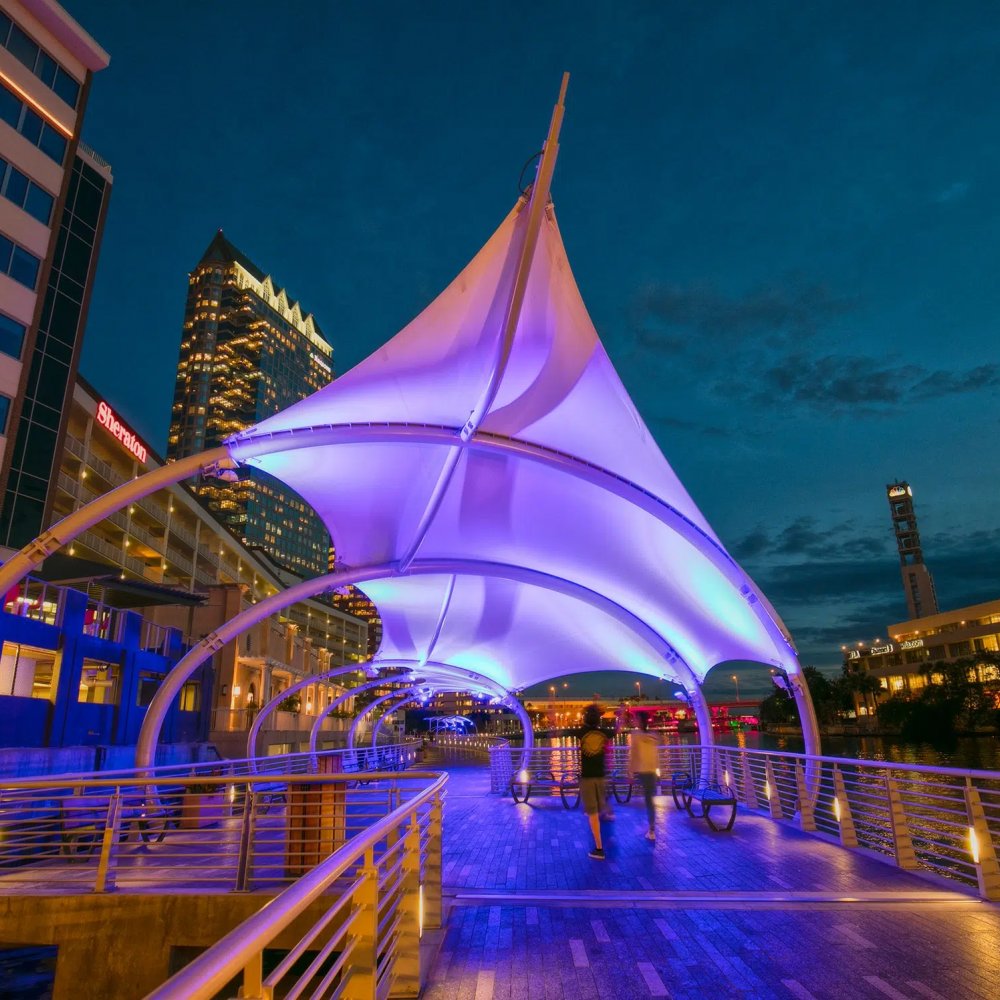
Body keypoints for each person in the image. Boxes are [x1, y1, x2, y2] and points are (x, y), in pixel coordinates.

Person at [579, 703, 611, 860]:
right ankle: (605, 814)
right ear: (598, 719)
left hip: (588, 778)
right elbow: (618, 729)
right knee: (598, 810)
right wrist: (622, 715)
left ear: (585, 719)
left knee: (592, 814)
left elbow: (558, 732)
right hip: (601, 777)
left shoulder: (581, 732)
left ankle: (599, 849)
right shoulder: (604, 733)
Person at [629, 712, 659, 841]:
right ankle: (651, 827)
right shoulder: (653, 735)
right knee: (649, 800)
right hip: (652, 771)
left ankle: (651, 829)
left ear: (640, 721)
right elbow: (655, 754)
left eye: (636, 718)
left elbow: (634, 754)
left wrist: (630, 771)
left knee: (647, 800)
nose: (634, 721)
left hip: (642, 771)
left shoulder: (635, 735)